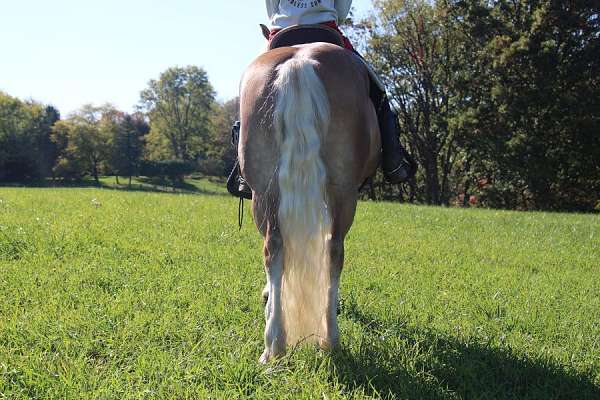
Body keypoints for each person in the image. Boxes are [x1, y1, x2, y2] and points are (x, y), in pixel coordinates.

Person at [227, 0, 416, 199]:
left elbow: (271, 7)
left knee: (250, 95)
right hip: (325, 30)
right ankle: (394, 162)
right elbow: (342, 9)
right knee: (378, 89)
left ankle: (244, 170)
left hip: (282, 32)